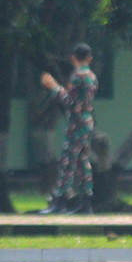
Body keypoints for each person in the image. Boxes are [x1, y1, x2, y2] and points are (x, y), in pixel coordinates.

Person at [40, 43, 99, 214]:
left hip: (77, 123)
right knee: (82, 161)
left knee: (67, 160)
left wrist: (54, 87)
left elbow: (69, 101)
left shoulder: (77, 76)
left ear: (74, 58)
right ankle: (86, 203)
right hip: (88, 121)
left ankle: (60, 202)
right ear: (90, 58)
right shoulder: (93, 77)